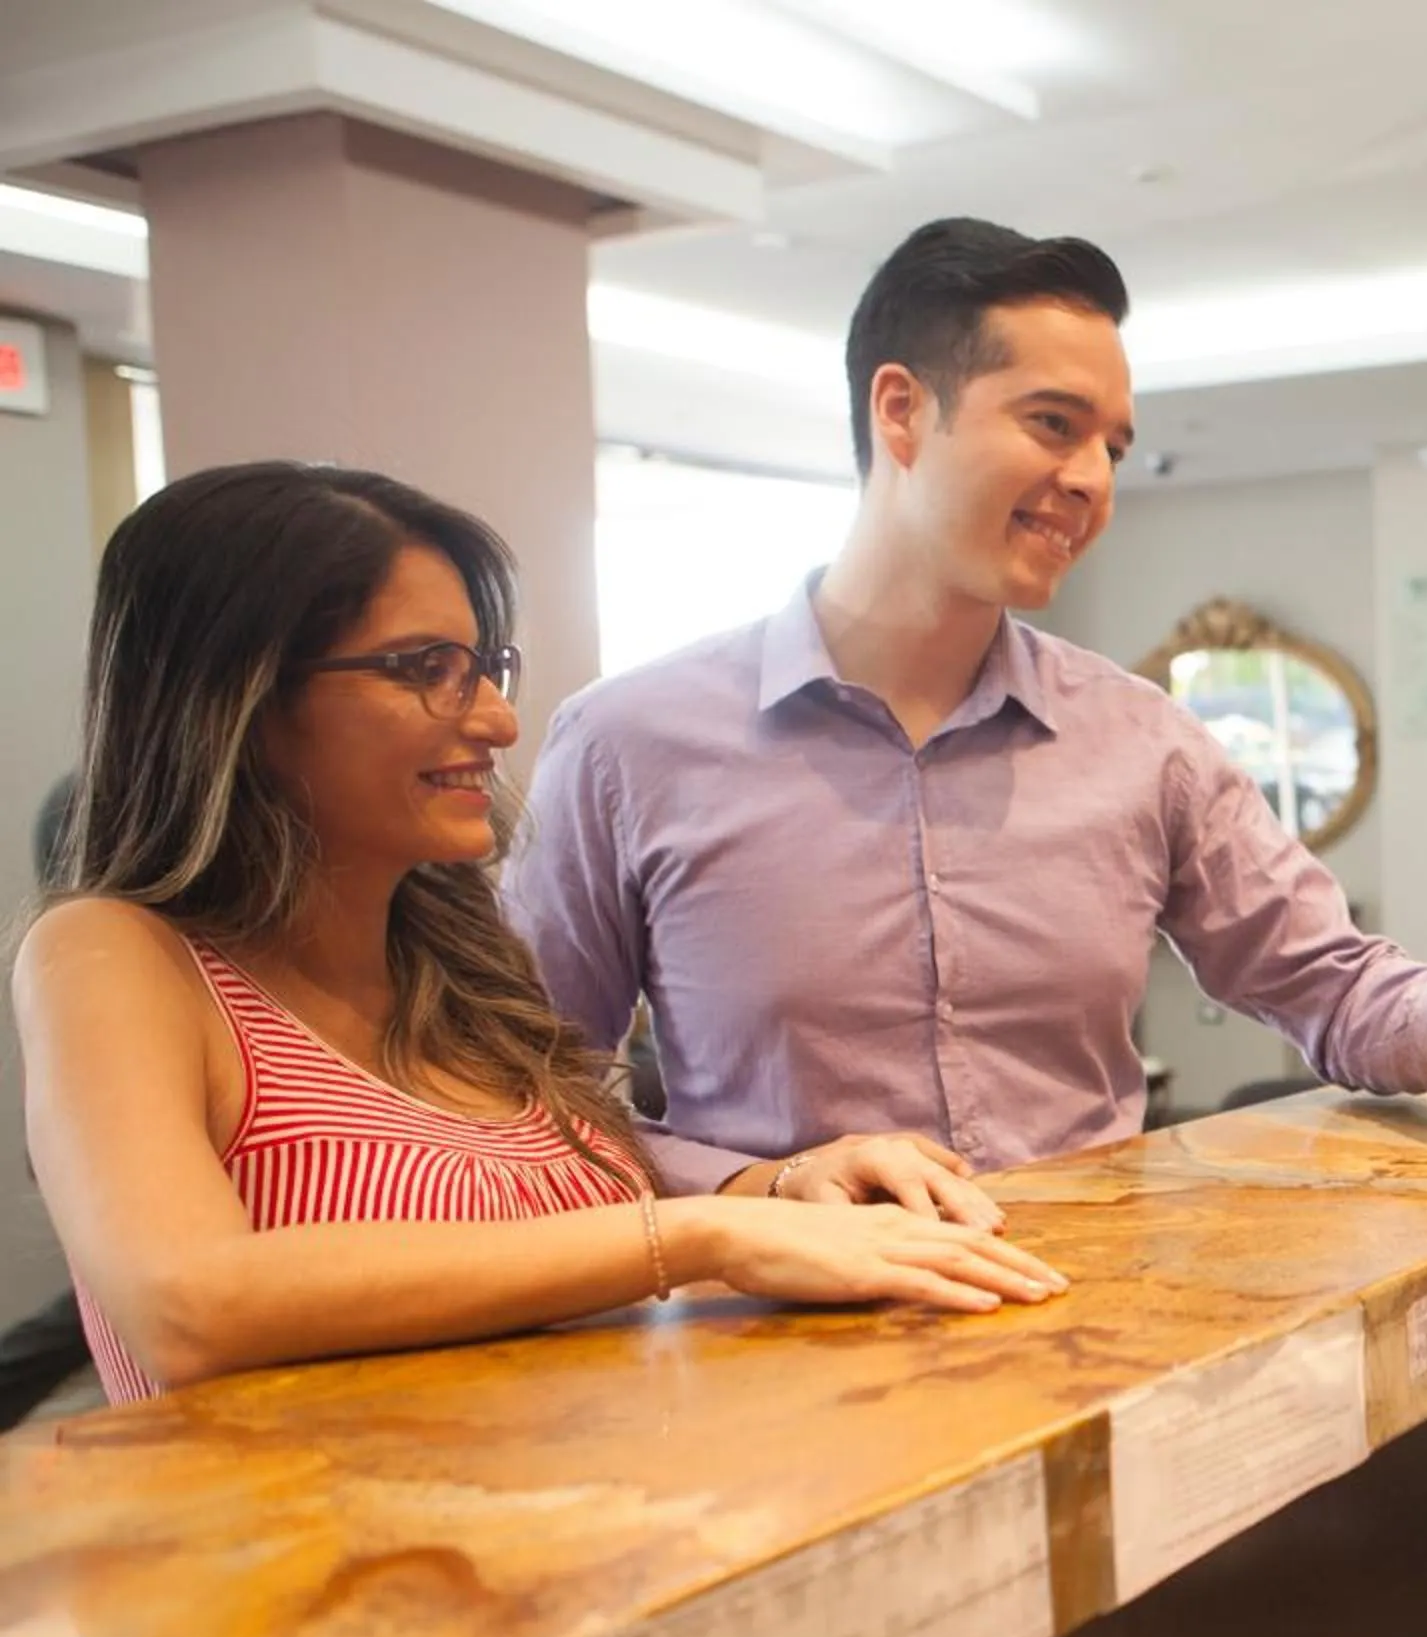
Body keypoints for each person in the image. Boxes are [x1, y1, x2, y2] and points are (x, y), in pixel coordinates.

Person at [507, 220, 1427, 1207]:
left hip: (1090, 1327)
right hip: (771, 1356)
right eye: (1053, 424)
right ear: (901, 409)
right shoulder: (625, 745)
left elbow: (1328, 985)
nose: (1093, 480)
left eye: (1114, 447)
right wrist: (758, 1184)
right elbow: (518, 1094)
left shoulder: (1147, 744)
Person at [15, 464, 1067, 1405]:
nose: (495, 721)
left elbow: (550, 1222)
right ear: (240, 694)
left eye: (484, 665)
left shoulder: (455, 973)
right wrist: (701, 1232)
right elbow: (189, 1302)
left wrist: (787, 1183)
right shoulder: (113, 956)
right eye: (426, 666)